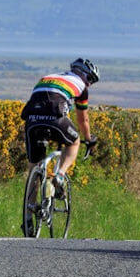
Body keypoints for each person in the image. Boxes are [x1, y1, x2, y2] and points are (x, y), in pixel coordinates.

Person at [21, 58, 100, 195]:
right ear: (84, 75)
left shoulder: (47, 77)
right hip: (55, 117)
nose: (89, 84)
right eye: (91, 80)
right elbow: (83, 120)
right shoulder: (81, 86)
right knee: (74, 142)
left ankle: (30, 209)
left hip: (32, 119)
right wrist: (88, 139)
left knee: (35, 167)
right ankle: (60, 175)